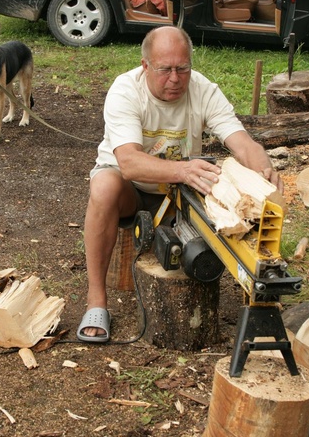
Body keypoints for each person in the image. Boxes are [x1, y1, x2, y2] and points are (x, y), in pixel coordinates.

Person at [77, 26, 283, 342]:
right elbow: (129, 163)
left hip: (178, 193)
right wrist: (184, 170)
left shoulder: (203, 90)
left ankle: (260, 292)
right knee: (104, 185)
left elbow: (241, 142)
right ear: (145, 66)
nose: (175, 78)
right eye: (164, 70)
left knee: (239, 210)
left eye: (182, 68)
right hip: (130, 190)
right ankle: (96, 301)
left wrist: (263, 170)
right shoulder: (125, 91)